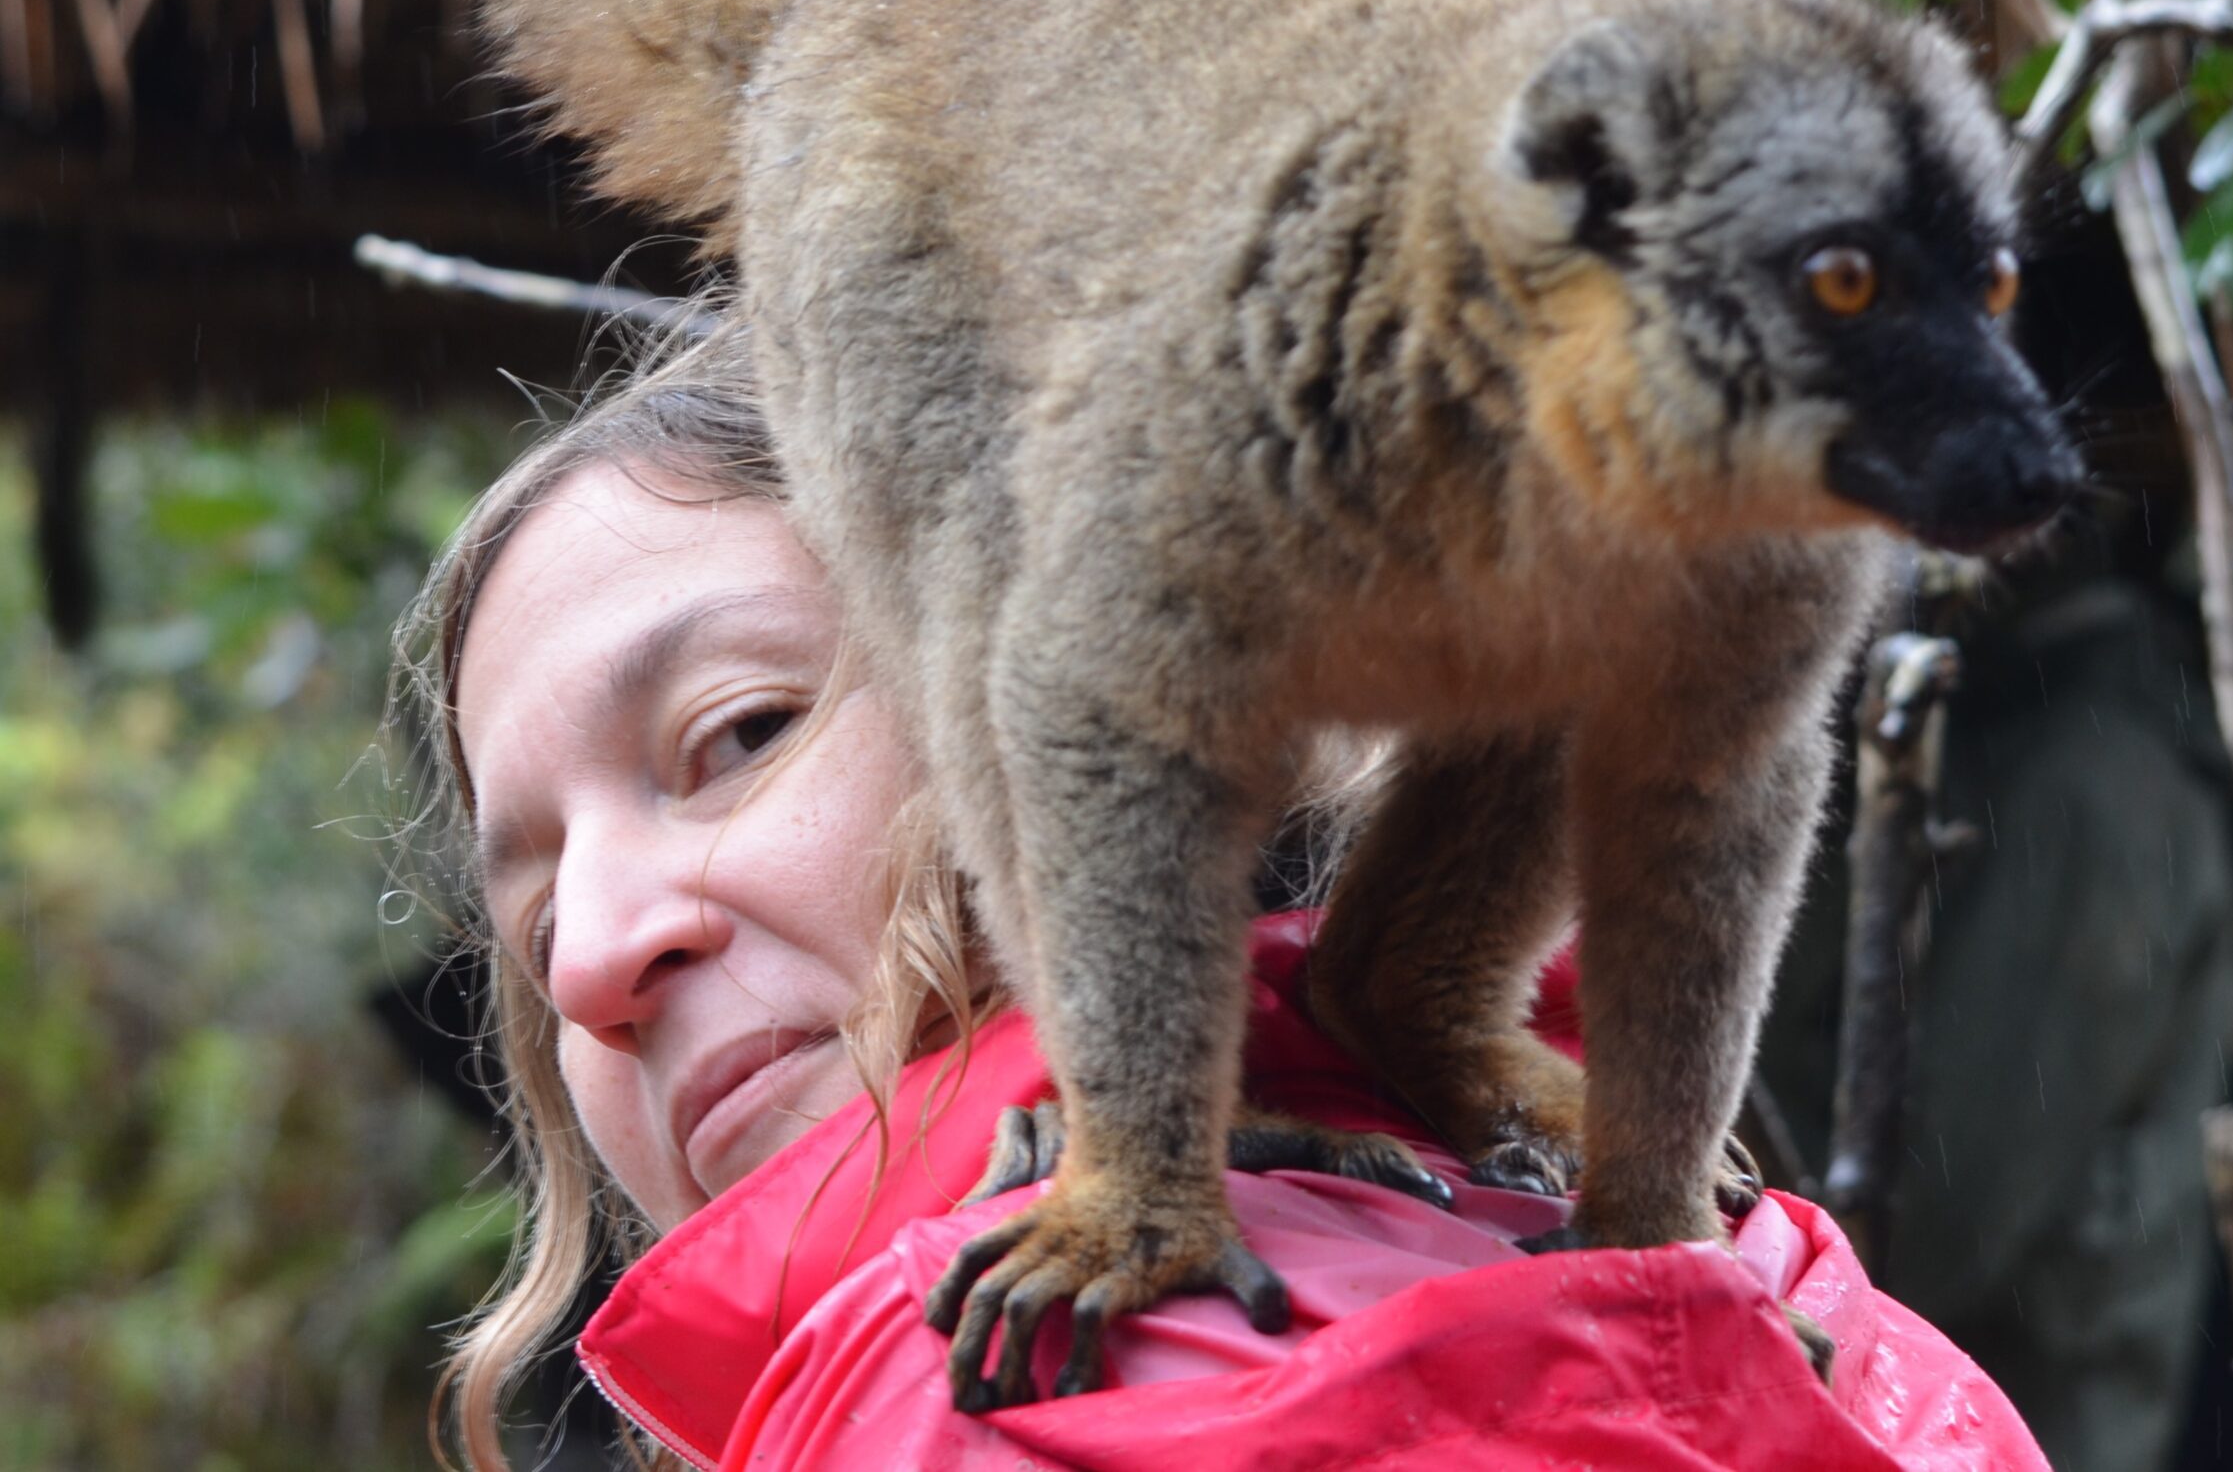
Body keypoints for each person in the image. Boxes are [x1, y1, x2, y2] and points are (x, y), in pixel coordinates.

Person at [399, 327, 2051, 1472]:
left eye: (739, 734)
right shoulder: (1791, 1307)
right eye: (535, 930)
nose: (601, 957)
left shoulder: (1010, 1380)